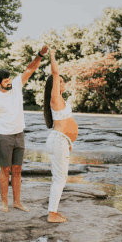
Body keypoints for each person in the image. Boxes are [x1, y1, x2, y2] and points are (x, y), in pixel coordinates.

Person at [0, 45, 49, 213]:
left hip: (19, 134)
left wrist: (40, 54)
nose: (9, 83)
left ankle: (17, 202)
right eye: (5, 82)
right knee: (5, 169)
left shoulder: (17, 85)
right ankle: (4, 203)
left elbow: (31, 68)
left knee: (17, 169)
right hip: (3, 136)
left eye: (9, 79)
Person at [43, 48, 78, 223]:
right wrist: (52, 55)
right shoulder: (55, 98)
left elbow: (64, 122)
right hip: (58, 141)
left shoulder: (61, 101)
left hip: (61, 141)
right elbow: (55, 73)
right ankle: (52, 214)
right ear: (54, 86)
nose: (62, 83)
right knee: (59, 179)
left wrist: (69, 140)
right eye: (60, 82)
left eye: (63, 82)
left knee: (60, 178)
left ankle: (54, 212)